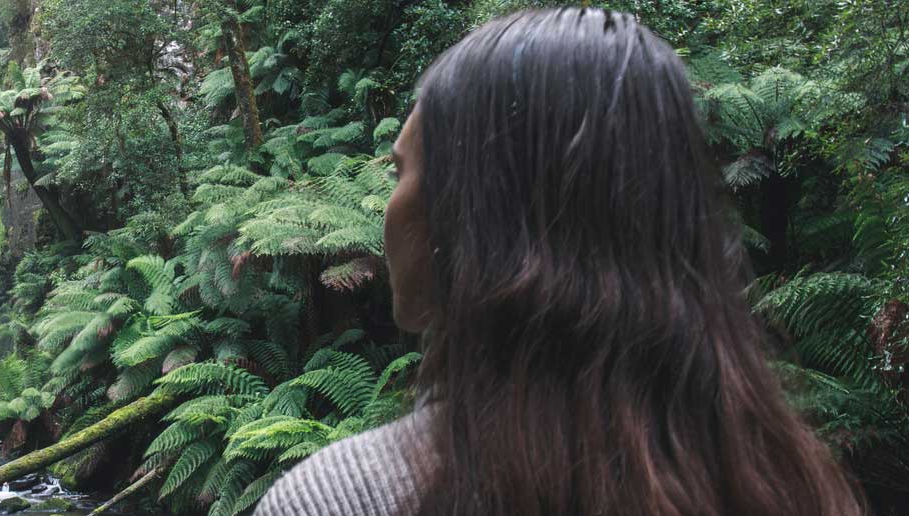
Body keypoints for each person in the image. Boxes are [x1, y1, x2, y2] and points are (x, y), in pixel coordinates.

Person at [255, 7, 865, 516]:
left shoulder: (339, 498)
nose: (387, 204)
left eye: (400, 170)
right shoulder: (795, 482)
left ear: (477, 216)